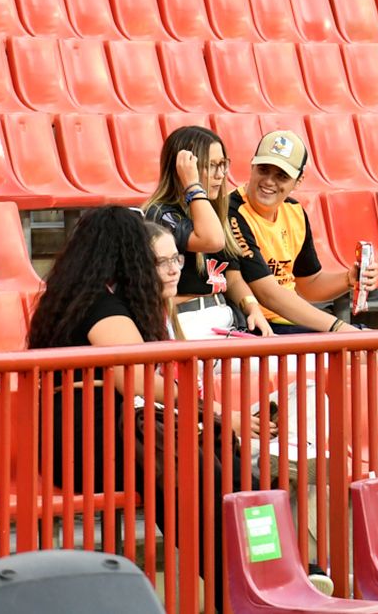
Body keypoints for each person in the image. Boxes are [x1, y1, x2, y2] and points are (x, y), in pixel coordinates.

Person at [26, 206, 248, 588]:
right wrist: (214, 410)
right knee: (198, 465)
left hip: (105, 439)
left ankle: (251, 576)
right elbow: (142, 380)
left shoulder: (80, 299)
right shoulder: (102, 309)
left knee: (213, 458)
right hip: (88, 445)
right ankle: (242, 580)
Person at [219, 130, 376, 332]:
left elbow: (309, 284)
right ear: (252, 166)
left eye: (282, 176)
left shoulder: (295, 212)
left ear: (299, 181)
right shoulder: (231, 212)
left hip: (291, 323)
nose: (268, 181)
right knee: (357, 352)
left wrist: (347, 279)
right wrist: (339, 328)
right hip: (257, 326)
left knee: (376, 352)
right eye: (263, 169)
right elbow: (268, 294)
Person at [141, 125, 271, 335]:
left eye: (222, 165)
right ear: (184, 169)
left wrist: (252, 307)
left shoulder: (217, 211)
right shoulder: (161, 213)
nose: (220, 175)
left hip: (223, 317)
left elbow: (232, 277)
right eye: (210, 166)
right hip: (186, 320)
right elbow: (212, 241)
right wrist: (192, 185)